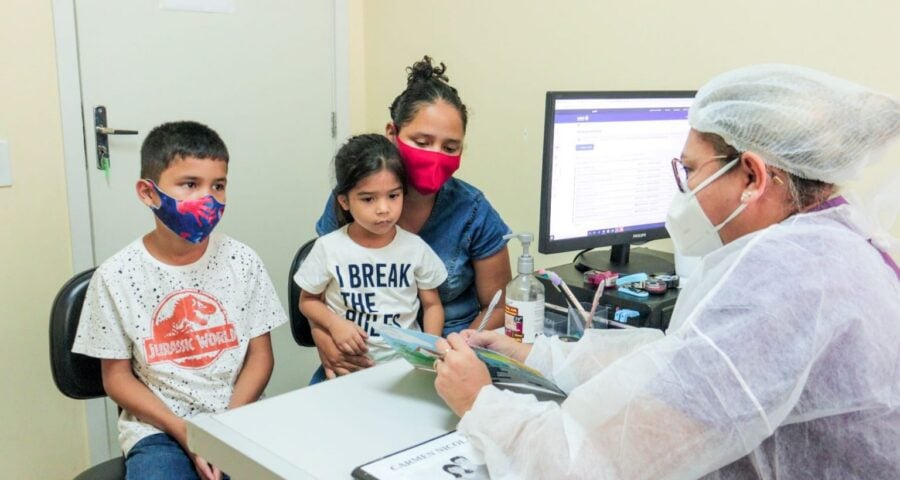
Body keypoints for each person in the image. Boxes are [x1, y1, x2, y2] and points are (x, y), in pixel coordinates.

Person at [433, 64, 900, 479]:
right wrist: (534, 355)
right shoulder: (826, 241)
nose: (684, 191)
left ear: (753, 178)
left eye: (690, 171)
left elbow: (589, 465)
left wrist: (480, 402)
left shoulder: (785, 279)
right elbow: (685, 364)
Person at [72, 121, 287, 480]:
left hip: (238, 416)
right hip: (159, 429)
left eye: (218, 186)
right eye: (190, 184)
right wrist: (184, 431)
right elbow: (117, 378)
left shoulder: (243, 261)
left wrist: (224, 432)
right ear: (148, 192)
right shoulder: (117, 275)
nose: (208, 198)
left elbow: (260, 356)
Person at [311, 56, 512, 380]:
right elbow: (317, 289)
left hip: (447, 359)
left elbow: (499, 306)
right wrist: (325, 342)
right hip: (355, 359)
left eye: (450, 147)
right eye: (422, 142)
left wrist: (455, 353)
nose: (435, 156)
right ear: (392, 132)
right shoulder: (354, 197)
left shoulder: (472, 211)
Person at [295, 134, 447, 368]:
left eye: (393, 196)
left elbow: (432, 304)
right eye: (368, 199)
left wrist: (430, 344)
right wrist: (335, 324)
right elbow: (307, 301)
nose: (384, 209)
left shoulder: (415, 248)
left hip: (405, 365)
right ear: (344, 201)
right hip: (351, 365)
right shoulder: (329, 247)